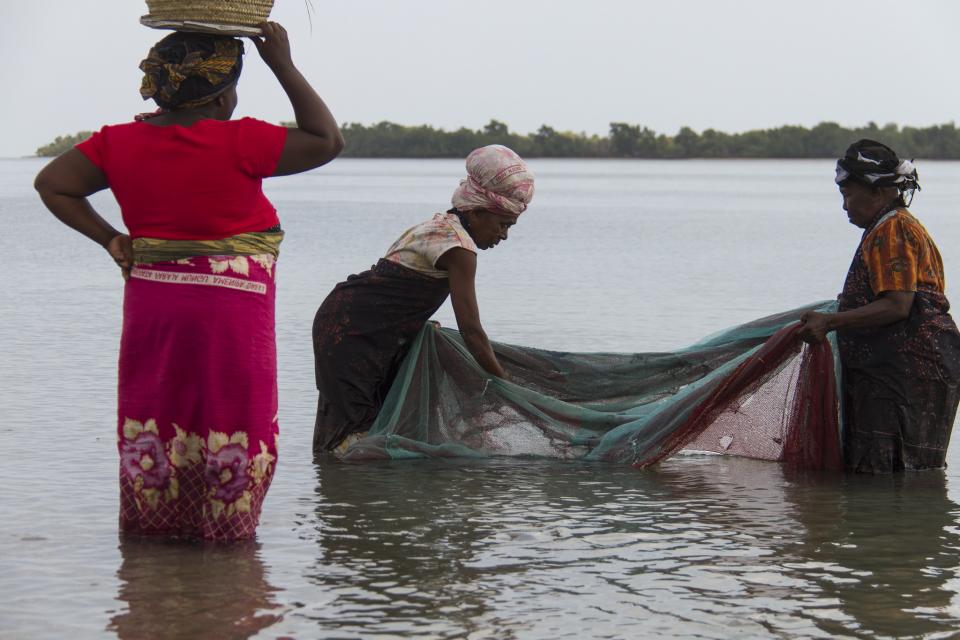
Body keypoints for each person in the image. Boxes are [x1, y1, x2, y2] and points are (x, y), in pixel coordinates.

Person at [34, 23, 344, 539]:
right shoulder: (242, 139)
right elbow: (326, 140)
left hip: (153, 308)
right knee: (231, 415)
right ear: (223, 96)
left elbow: (52, 185)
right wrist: (283, 65)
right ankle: (226, 551)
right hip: (230, 316)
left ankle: (154, 545)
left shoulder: (118, 142)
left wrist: (112, 239)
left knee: (158, 409)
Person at [312, 144, 534, 454]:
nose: (504, 235)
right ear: (478, 211)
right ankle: (351, 495)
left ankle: (339, 493)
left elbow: (397, 289)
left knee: (357, 426)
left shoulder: (438, 226)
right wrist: (503, 382)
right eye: (503, 225)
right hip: (353, 335)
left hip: (346, 319)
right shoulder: (460, 250)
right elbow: (471, 330)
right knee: (357, 436)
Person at [799, 139, 960, 472]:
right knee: (911, 474)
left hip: (902, 377)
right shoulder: (891, 226)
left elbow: (898, 306)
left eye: (848, 195)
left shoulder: (892, 229)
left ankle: (889, 523)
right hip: (911, 373)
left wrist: (830, 322)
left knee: (887, 471)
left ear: (878, 191)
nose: (844, 206)